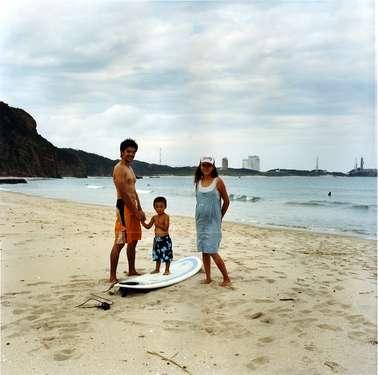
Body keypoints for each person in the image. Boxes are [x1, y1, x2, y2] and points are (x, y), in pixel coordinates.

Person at [109, 138, 145, 283]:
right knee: (120, 241)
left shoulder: (130, 168)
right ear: (122, 152)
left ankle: (131, 270)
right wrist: (135, 211)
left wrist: (140, 208)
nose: (131, 154)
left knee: (134, 240)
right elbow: (123, 193)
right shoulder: (119, 168)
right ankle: (112, 276)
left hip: (133, 206)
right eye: (128, 151)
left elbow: (133, 191)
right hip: (124, 207)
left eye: (133, 152)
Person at [194, 156, 231, 286]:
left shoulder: (218, 181)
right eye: (203, 165)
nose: (206, 168)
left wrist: (220, 216)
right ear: (200, 166)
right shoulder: (198, 182)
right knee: (204, 250)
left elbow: (226, 201)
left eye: (209, 165)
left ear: (213, 167)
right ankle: (208, 278)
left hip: (213, 222)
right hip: (200, 222)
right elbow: (199, 202)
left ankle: (226, 278)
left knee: (212, 250)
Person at [142, 196, 173, 275]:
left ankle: (167, 270)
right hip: (157, 239)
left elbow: (166, 228)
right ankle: (157, 269)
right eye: (157, 207)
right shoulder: (154, 217)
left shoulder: (166, 217)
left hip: (165, 239)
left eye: (161, 207)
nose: (159, 209)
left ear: (165, 207)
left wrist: (158, 224)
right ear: (154, 207)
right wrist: (142, 221)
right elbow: (148, 226)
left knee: (166, 254)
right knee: (157, 254)